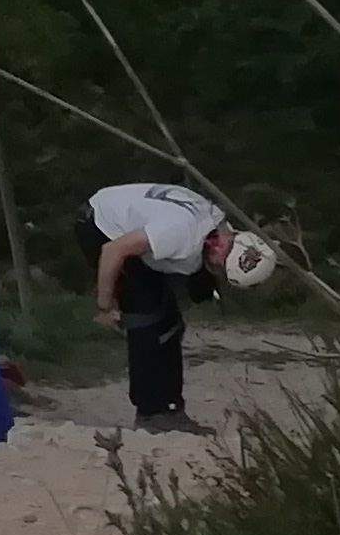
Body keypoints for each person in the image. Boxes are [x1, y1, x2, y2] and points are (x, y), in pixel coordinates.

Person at [88, 178, 273, 432]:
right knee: (147, 321)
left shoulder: (217, 225)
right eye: (219, 270)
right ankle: (151, 414)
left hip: (133, 224)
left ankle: (171, 408)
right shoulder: (180, 234)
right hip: (103, 225)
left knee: (171, 324)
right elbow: (112, 251)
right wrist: (105, 306)